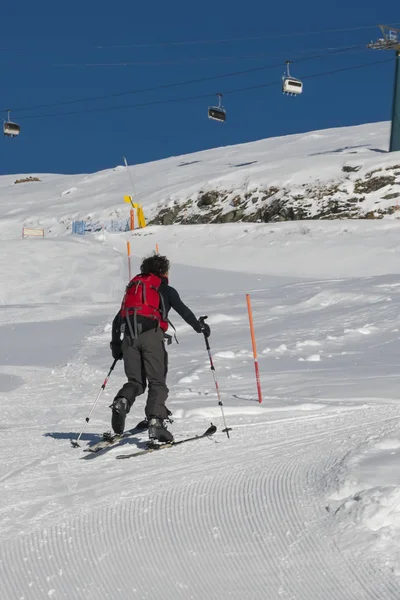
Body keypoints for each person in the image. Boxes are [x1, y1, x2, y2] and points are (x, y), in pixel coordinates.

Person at [110, 253, 210, 443]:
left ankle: (121, 401)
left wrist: (116, 345)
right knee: (157, 382)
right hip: (151, 337)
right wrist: (201, 327)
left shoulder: (135, 290)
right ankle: (156, 424)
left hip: (129, 337)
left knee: (136, 382)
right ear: (163, 271)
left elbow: (118, 319)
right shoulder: (165, 289)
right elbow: (184, 311)